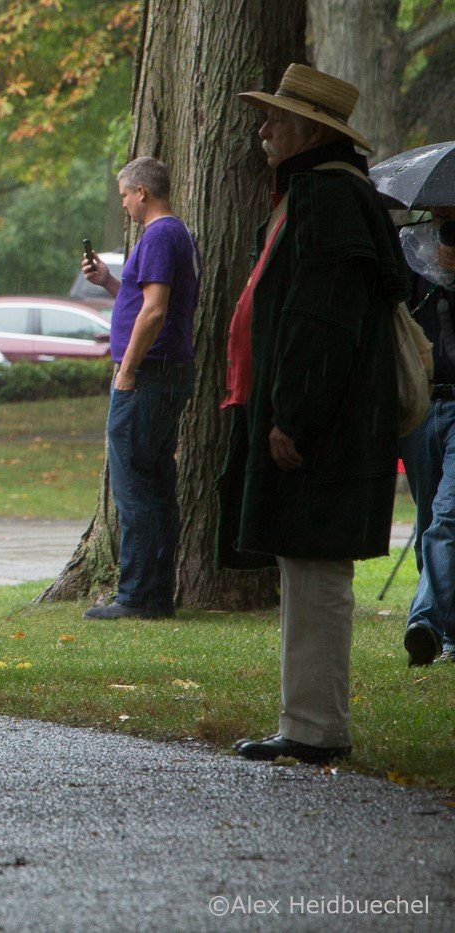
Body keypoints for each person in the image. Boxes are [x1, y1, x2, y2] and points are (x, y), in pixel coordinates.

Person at [219, 65, 408, 765]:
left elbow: (321, 320)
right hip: (322, 419)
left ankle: (316, 725)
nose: (264, 128)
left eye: (278, 118)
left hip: (322, 424)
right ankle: (306, 717)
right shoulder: (321, 193)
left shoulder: (328, 197)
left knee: (317, 570)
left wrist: (292, 415)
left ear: (315, 131)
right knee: (306, 567)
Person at [79, 156, 200, 620]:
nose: (124, 202)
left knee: (134, 485)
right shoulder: (177, 235)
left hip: (149, 374)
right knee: (154, 483)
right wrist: (110, 281)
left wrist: (127, 370)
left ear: (142, 192)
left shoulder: (159, 234)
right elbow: (142, 301)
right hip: (166, 371)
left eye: (125, 194)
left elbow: (154, 311)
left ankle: (137, 595)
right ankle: (155, 592)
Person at [397, 207, 455, 666]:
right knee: (426, 520)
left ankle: (426, 622)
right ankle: (444, 631)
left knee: (446, 517)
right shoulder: (410, 254)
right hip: (423, 406)